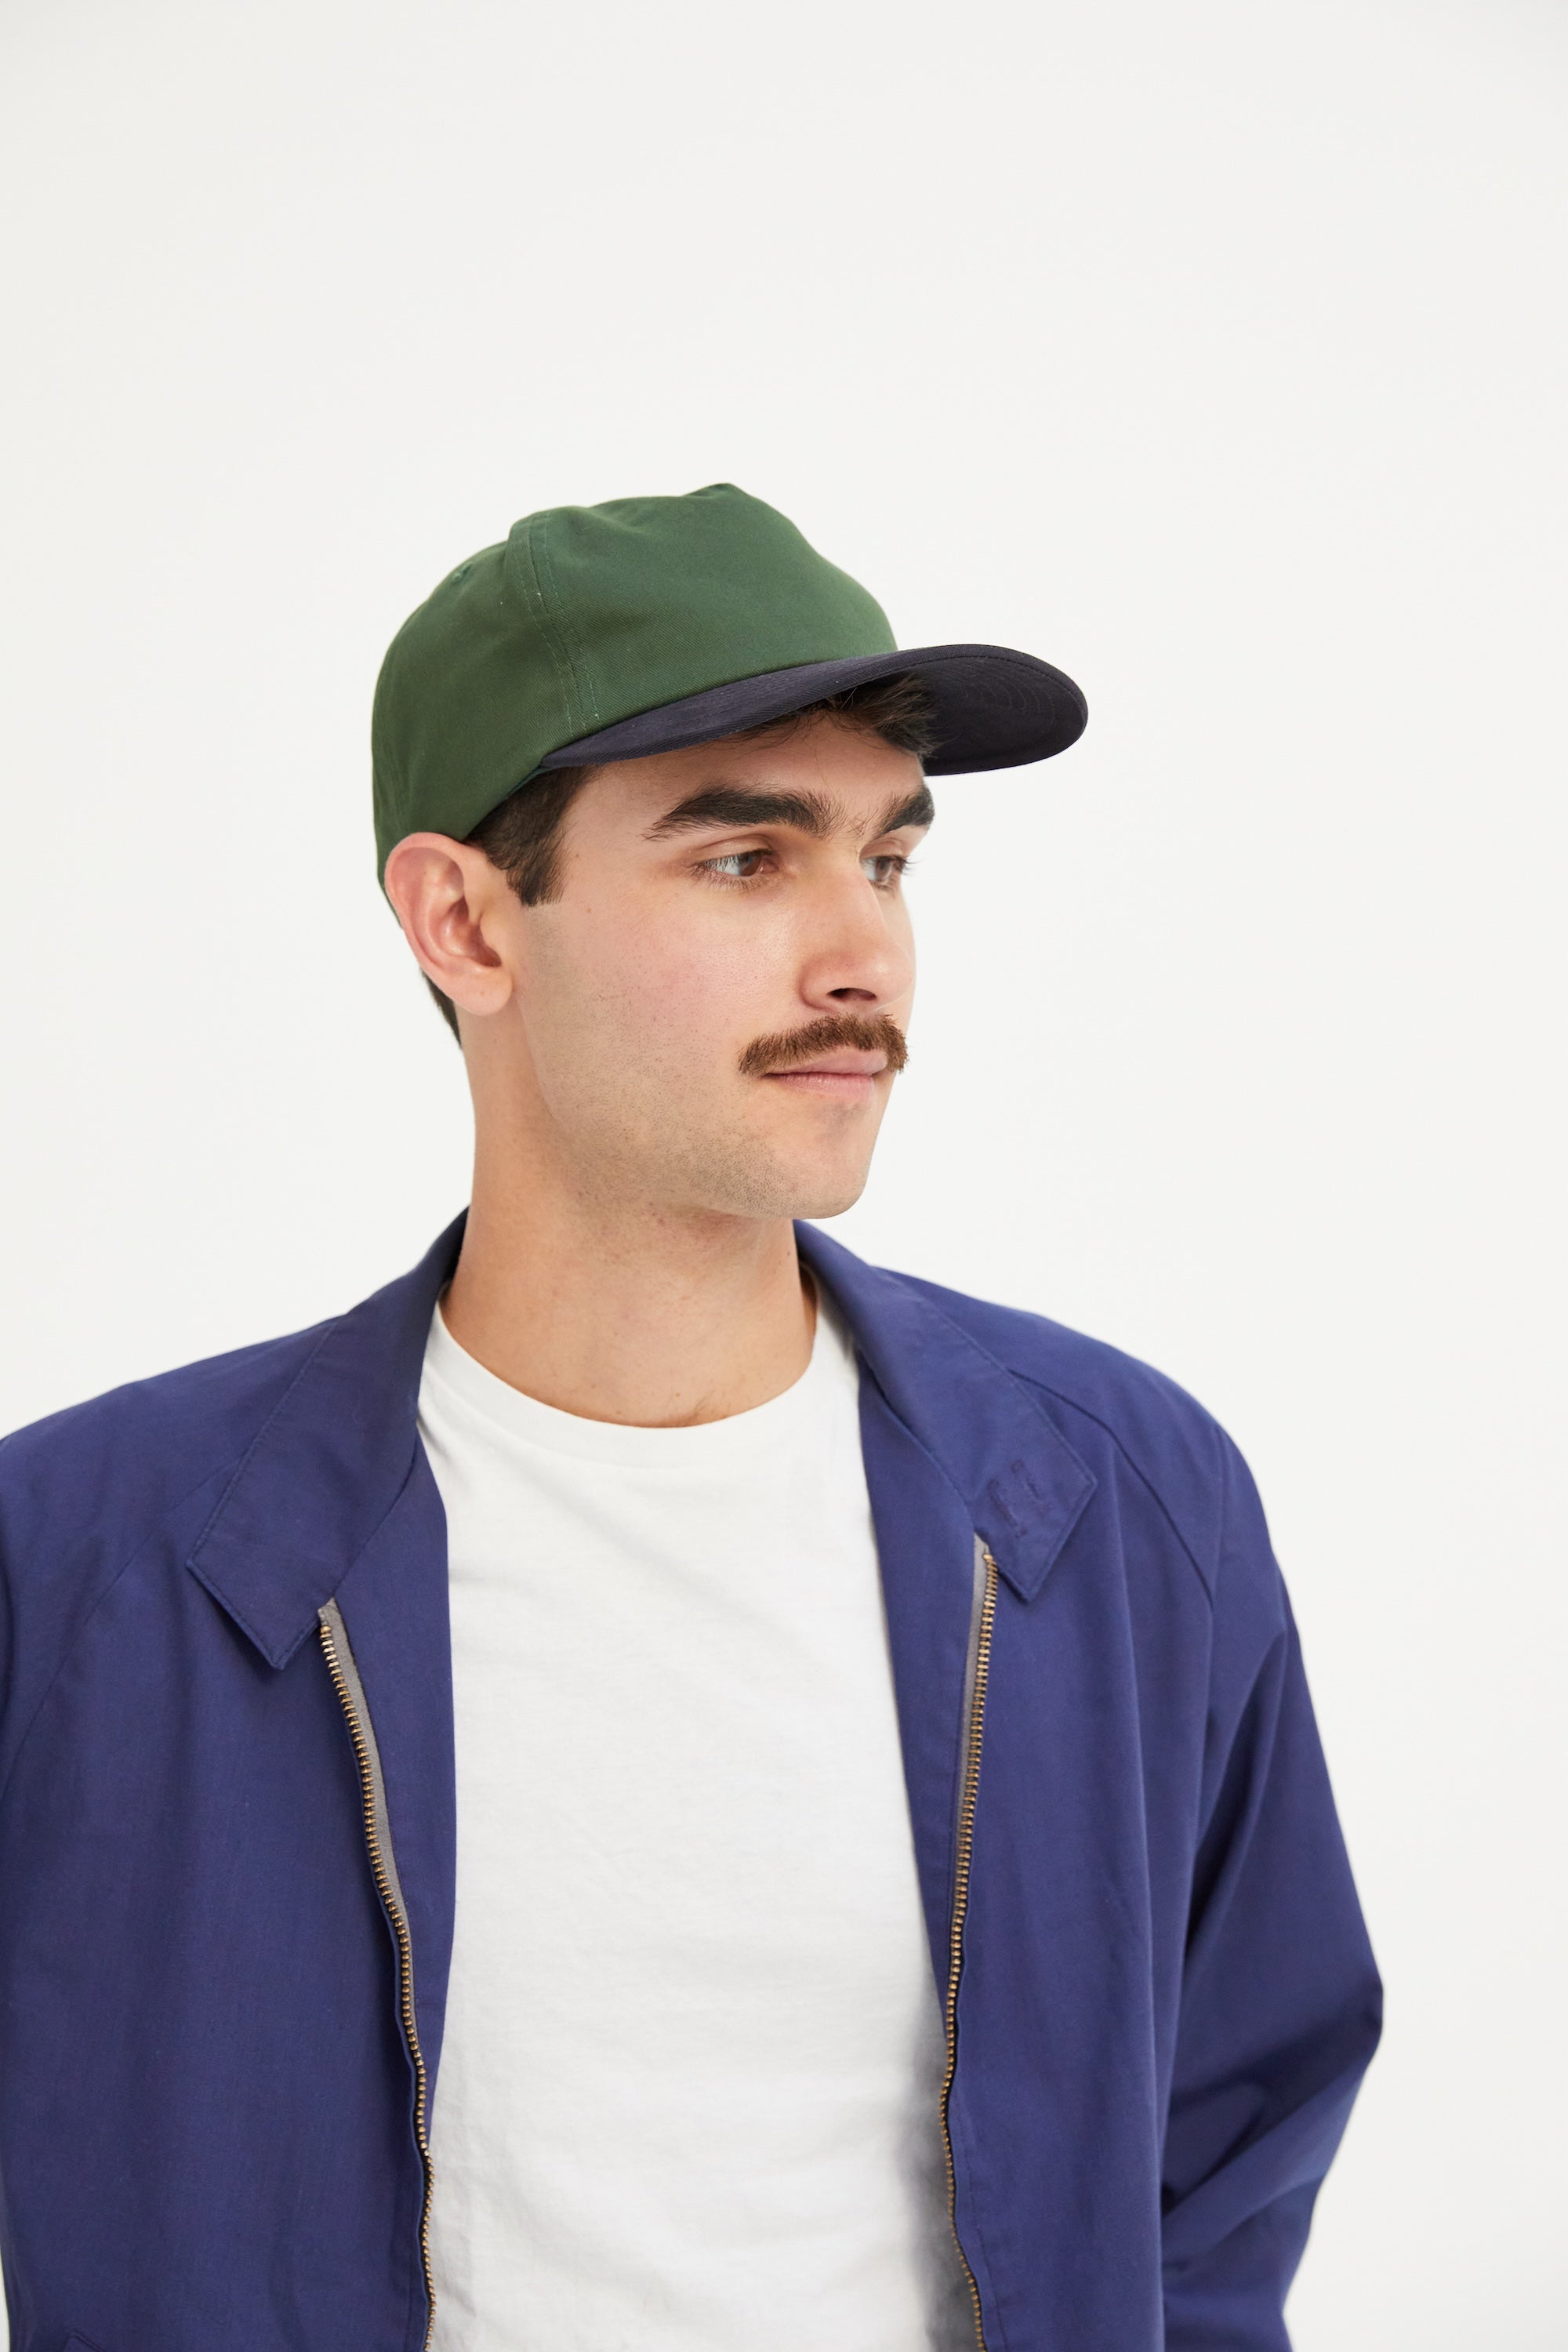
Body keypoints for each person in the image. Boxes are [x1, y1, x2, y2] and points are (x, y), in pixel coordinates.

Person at [0, 484, 1379, 2352]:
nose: (860, 958)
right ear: (466, 924)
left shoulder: (1116, 1502)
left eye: (886, 861)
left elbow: (1234, 2148)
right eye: (746, 860)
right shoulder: (89, 1562)